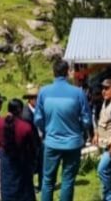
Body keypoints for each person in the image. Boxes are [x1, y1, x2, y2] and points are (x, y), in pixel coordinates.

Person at [34, 59, 92, 201]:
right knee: (68, 180)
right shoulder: (78, 93)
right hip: (73, 143)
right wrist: (80, 131)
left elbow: (38, 119)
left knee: (47, 181)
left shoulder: (44, 92)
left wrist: (46, 130)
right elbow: (87, 120)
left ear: (53, 72)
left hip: (52, 142)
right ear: (68, 72)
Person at [0, 99, 41, 201]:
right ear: (20, 110)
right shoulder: (26, 126)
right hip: (23, 160)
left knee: (7, 187)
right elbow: (34, 146)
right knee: (25, 190)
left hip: (6, 160)